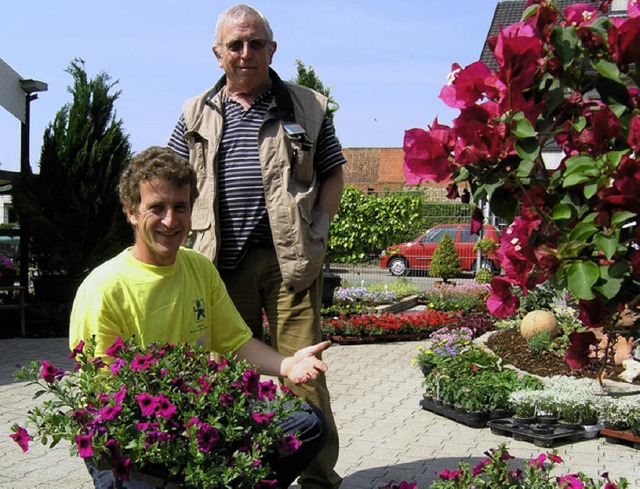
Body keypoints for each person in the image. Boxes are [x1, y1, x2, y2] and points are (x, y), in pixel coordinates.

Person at [69, 146, 329, 489]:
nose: (170, 221)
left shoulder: (198, 267)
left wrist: (286, 366)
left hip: (192, 420)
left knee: (308, 424)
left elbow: (235, 341)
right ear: (131, 212)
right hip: (130, 435)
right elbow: (106, 399)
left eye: (180, 207)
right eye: (156, 208)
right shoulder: (104, 289)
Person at [167, 5, 345, 488]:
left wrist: (319, 229)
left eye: (256, 43)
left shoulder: (307, 105)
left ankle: (316, 480)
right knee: (228, 377)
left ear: (272, 48)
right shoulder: (193, 113)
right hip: (217, 266)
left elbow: (332, 172)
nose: (246, 54)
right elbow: (171, 180)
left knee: (304, 374)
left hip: (293, 263)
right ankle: (241, 472)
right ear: (218, 53)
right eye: (235, 45)